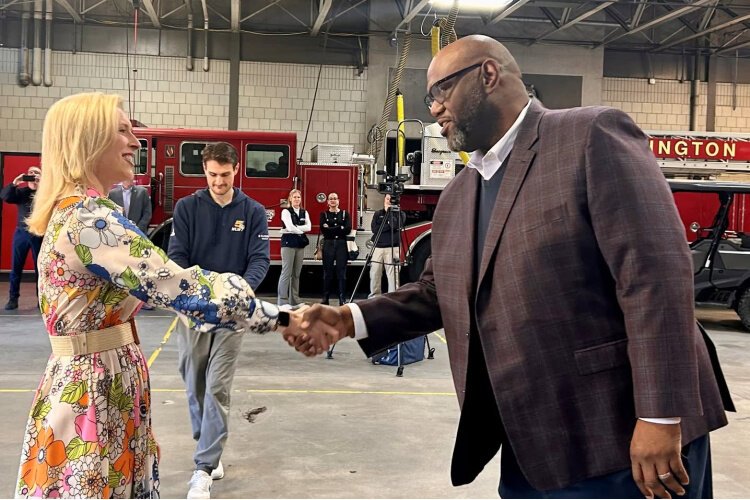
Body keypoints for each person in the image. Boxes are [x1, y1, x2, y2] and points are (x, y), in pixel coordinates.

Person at [287, 35, 734, 499]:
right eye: (430, 99)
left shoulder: (589, 136)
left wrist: (660, 416)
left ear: (488, 74)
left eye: (441, 91)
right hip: (531, 441)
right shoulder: (461, 194)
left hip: (622, 434)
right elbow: (439, 292)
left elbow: (655, 277)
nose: (435, 108)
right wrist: (346, 318)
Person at [17, 92, 301, 499]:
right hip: (94, 393)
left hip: (98, 384)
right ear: (88, 140)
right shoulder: (90, 221)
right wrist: (286, 318)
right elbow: (178, 285)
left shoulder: (83, 212)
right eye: (123, 131)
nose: (135, 141)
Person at [168, 141, 270, 499]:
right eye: (212, 175)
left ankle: (204, 467)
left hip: (231, 316)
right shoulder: (186, 208)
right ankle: (206, 441)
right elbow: (177, 256)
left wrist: (237, 291)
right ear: (205, 172)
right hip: (193, 312)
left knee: (217, 387)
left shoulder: (254, 211)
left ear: (236, 171)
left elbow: (260, 260)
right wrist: (200, 294)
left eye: (225, 175)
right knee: (193, 379)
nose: (218, 181)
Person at [0, 166, 43, 310]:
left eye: (36, 173)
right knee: (16, 267)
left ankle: (41, 300)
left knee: (41, 269)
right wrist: (15, 182)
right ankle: (13, 299)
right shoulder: (21, 192)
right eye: (30, 173)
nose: (33, 176)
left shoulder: (45, 194)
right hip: (21, 233)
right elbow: (5, 196)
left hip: (39, 234)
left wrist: (43, 184)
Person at [368, 194, 406, 297]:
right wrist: (388, 226)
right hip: (378, 248)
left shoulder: (400, 214)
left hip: (392, 248)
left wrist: (389, 214)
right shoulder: (378, 213)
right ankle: (374, 296)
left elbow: (395, 225)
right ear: (384, 199)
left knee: (393, 275)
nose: (388, 201)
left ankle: (393, 298)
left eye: (391, 199)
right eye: (387, 199)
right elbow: (375, 230)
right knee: (375, 273)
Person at [278, 189, 310, 307]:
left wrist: (295, 229)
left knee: (296, 274)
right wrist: (299, 230)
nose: (297, 199)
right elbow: (290, 227)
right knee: (286, 272)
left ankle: (294, 300)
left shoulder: (304, 212)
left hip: (299, 245)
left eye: (299, 197)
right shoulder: (286, 212)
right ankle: (282, 301)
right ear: (290, 199)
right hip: (288, 244)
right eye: (295, 197)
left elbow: (309, 227)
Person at [319, 192, 351, 305]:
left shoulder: (345, 214)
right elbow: (324, 230)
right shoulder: (324, 214)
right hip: (328, 244)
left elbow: (347, 229)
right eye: (330, 199)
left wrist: (331, 227)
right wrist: (339, 227)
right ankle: (325, 297)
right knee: (327, 272)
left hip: (341, 244)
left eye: (335, 198)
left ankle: (342, 298)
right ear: (328, 202)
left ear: (338, 201)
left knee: (341, 272)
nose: (333, 200)